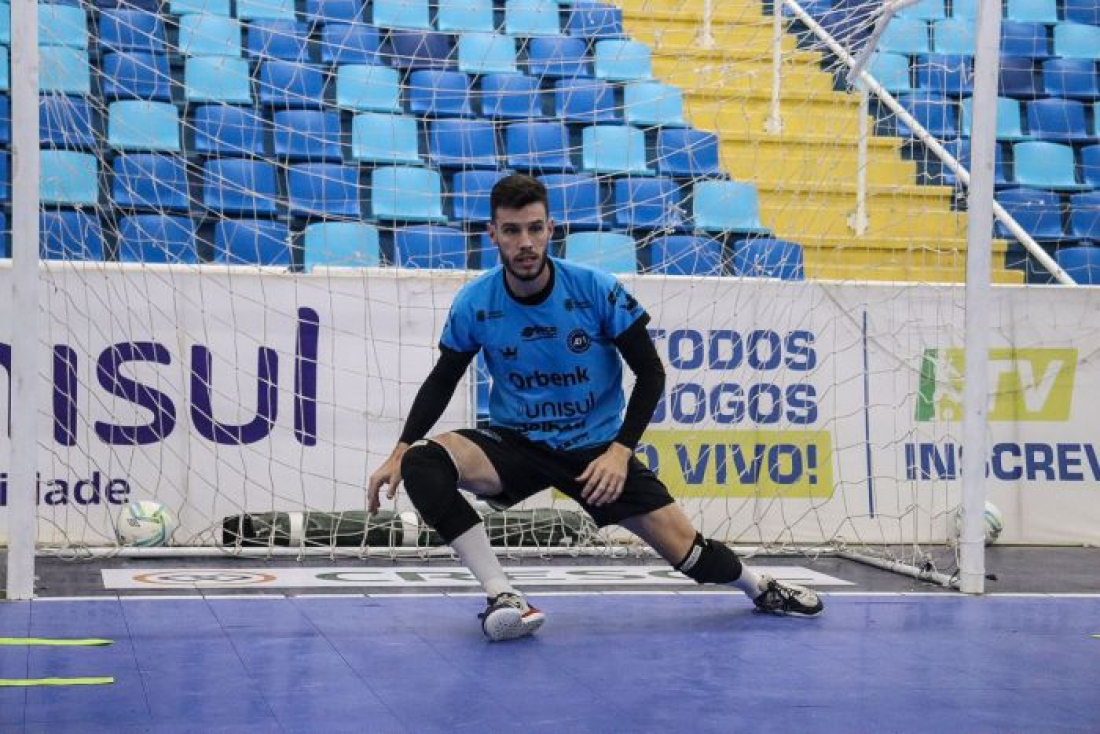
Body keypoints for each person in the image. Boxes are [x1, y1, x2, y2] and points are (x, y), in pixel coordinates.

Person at [367, 174, 823, 641]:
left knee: (692, 556)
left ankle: (760, 586)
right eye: (511, 231)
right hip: (516, 444)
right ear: (493, 234)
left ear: (551, 228)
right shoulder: (476, 303)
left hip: (597, 452)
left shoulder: (594, 290)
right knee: (423, 461)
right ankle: (504, 595)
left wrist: (620, 451)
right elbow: (445, 377)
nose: (525, 243)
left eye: (534, 228)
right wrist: (400, 447)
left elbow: (651, 373)